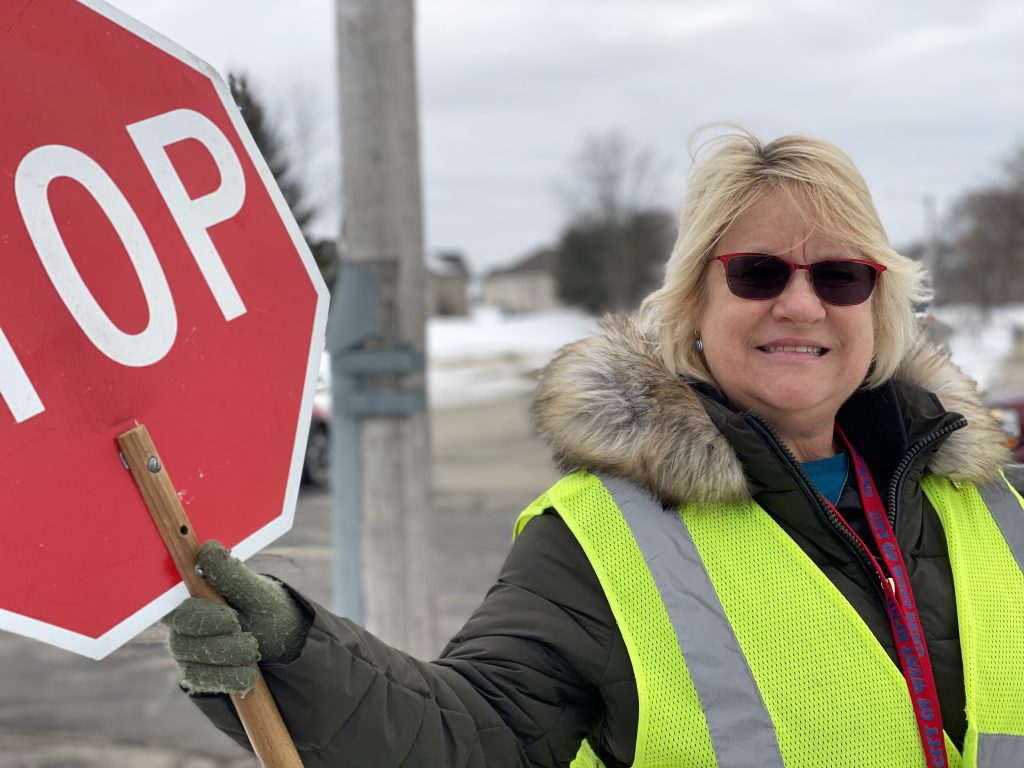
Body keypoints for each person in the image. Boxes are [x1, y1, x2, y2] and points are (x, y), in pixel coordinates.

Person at [165, 131, 1024, 768]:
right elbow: (479, 735)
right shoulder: (605, 538)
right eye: (758, 273)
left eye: (840, 275)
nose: (802, 305)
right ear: (695, 306)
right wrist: (300, 659)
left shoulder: (1000, 508)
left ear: (878, 307)